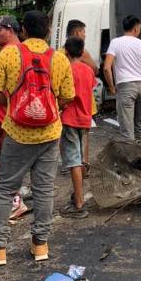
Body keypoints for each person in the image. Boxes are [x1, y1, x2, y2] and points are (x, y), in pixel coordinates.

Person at [0, 10, 74, 267]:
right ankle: (40, 244)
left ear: (22, 30)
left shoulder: (9, 54)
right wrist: (50, 109)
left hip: (17, 132)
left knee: (6, 188)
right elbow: (68, 96)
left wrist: (13, 104)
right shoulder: (59, 58)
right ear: (47, 30)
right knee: (44, 190)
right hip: (50, 133)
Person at [0, 15, 28, 221]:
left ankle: (14, 201)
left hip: (4, 116)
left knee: (4, 160)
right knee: (14, 160)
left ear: (10, 30)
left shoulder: (6, 54)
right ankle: (15, 196)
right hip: (17, 115)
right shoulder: (25, 52)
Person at [103, 15, 141, 143]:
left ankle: (131, 161)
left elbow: (107, 68)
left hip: (125, 87)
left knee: (127, 129)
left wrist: (112, 87)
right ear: (136, 28)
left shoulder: (115, 43)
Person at [60, 36, 95, 218]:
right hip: (85, 118)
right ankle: (78, 195)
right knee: (80, 158)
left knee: (73, 160)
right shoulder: (88, 71)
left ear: (66, 51)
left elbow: (66, 96)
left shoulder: (67, 70)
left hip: (70, 119)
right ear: (82, 52)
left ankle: (79, 203)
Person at [66, 19, 98, 170]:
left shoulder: (60, 53)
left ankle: (71, 165)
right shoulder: (84, 58)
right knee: (83, 141)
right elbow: (95, 70)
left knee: (70, 144)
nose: (85, 35)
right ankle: (83, 166)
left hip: (68, 113)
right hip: (85, 110)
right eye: (84, 32)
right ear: (77, 33)